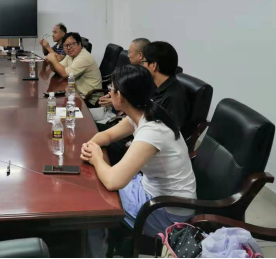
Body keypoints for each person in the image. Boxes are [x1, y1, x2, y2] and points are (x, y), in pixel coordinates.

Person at [82, 65, 196, 255]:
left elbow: (113, 181)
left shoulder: (152, 130)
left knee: (95, 205)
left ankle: (97, 252)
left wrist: (96, 157)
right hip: (151, 191)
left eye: (111, 89)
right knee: (97, 184)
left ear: (120, 96)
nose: (109, 92)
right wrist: (90, 145)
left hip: (167, 212)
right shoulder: (145, 111)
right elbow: (107, 136)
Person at [141, 41, 190, 131]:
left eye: (143, 62)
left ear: (154, 65)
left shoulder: (174, 98)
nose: (142, 66)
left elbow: (171, 133)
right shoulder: (154, 85)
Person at [46, 32, 101, 103]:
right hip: (76, 93)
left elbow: (65, 74)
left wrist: (53, 60)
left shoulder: (83, 57)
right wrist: (51, 62)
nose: (68, 48)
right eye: (65, 45)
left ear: (79, 44)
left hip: (88, 99)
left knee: (57, 102)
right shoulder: (70, 55)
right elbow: (58, 69)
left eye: (71, 44)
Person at [97, 38, 151, 110]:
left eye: (129, 52)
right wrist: (112, 94)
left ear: (140, 55)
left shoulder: (145, 77)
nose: (128, 56)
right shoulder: (132, 70)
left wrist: (115, 102)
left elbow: (139, 103)